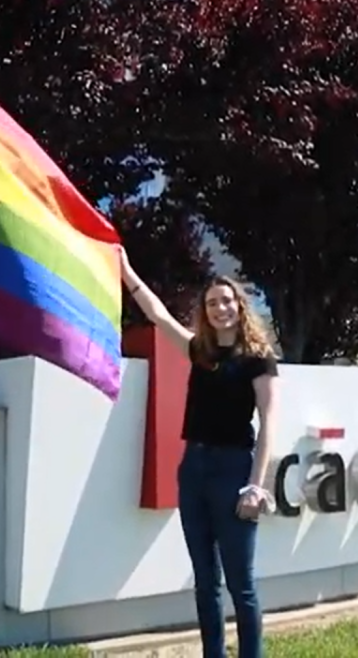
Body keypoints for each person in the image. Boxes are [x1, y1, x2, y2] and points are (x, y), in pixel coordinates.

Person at [119, 248, 279, 658]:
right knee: (205, 580)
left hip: (233, 471)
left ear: (239, 306)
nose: (220, 308)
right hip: (193, 469)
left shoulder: (258, 360)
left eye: (226, 301)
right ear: (205, 313)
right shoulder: (199, 352)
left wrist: (255, 488)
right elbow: (157, 315)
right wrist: (126, 269)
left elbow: (269, 427)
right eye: (211, 304)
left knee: (241, 583)